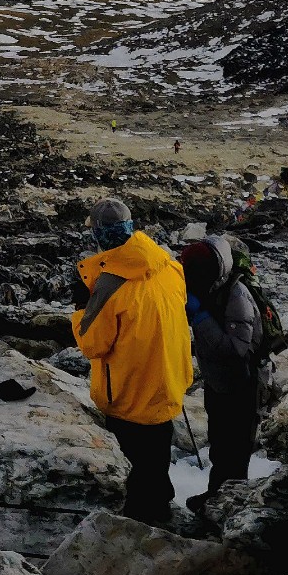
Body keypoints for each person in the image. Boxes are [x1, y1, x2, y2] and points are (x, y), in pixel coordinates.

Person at [70, 197, 193, 526]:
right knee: (157, 464)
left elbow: (92, 344)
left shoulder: (110, 285)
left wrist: (82, 310)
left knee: (137, 477)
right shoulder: (167, 265)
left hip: (129, 394)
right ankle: (162, 512)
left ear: (98, 234)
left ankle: (145, 532)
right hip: (167, 382)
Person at [179, 230, 263, 498]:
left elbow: (236, 350)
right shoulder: (209, 286)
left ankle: (232, 502)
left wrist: (200, 318)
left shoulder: (236, 295)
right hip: (218, 381)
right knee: (219, 445)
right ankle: (216, 496)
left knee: (234, 450)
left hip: (243, 384)